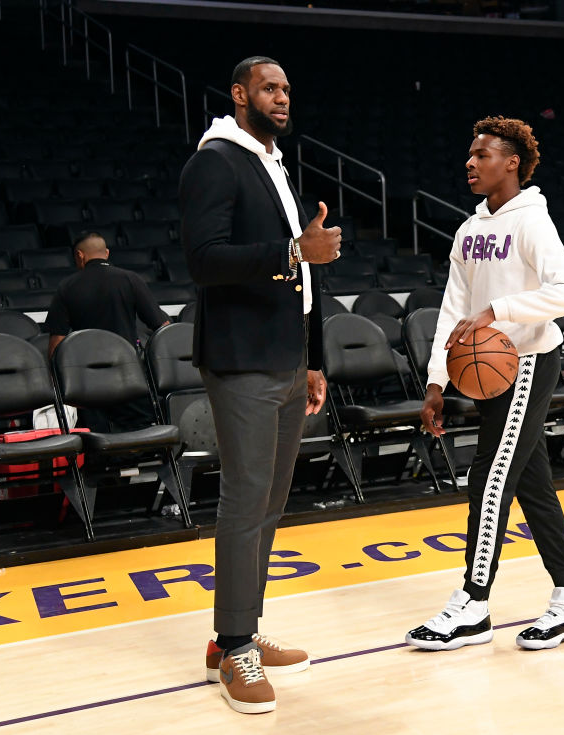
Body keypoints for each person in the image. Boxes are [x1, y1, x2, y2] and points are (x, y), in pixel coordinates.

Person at [178, 56, 341, 715]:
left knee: (269, 505)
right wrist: (292, 251)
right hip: (240, 357)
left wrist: (314, 356)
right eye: (269, 87)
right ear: (241, 93)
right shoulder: (216, 160)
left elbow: (306, 279)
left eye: (287, 89)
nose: (281, 97)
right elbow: (203, 259)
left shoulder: (270, 163)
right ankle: (236, 646)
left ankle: (234, 632)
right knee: (245, 504)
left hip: (283, 356)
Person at [407, 116, 564, 652]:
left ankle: (472, 604)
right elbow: (452, 308)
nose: (470, 163)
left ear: (511, 162)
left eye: (482, 155)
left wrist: (500, 310)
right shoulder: (469, 231)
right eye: (470, 155)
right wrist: (437, 381)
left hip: (530, 361)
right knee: (532, 484)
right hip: (490, 372)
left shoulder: (533, 223)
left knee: (489, 479)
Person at [46, 232, 170, 431]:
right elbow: (162, 327)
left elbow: (57, 341)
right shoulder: (130, 279)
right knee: (141, 431)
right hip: (129, 375)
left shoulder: (67, 287)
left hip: (86, 380)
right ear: (106, 253)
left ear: (80, 255)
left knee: (97, 436)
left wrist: (55, 382)